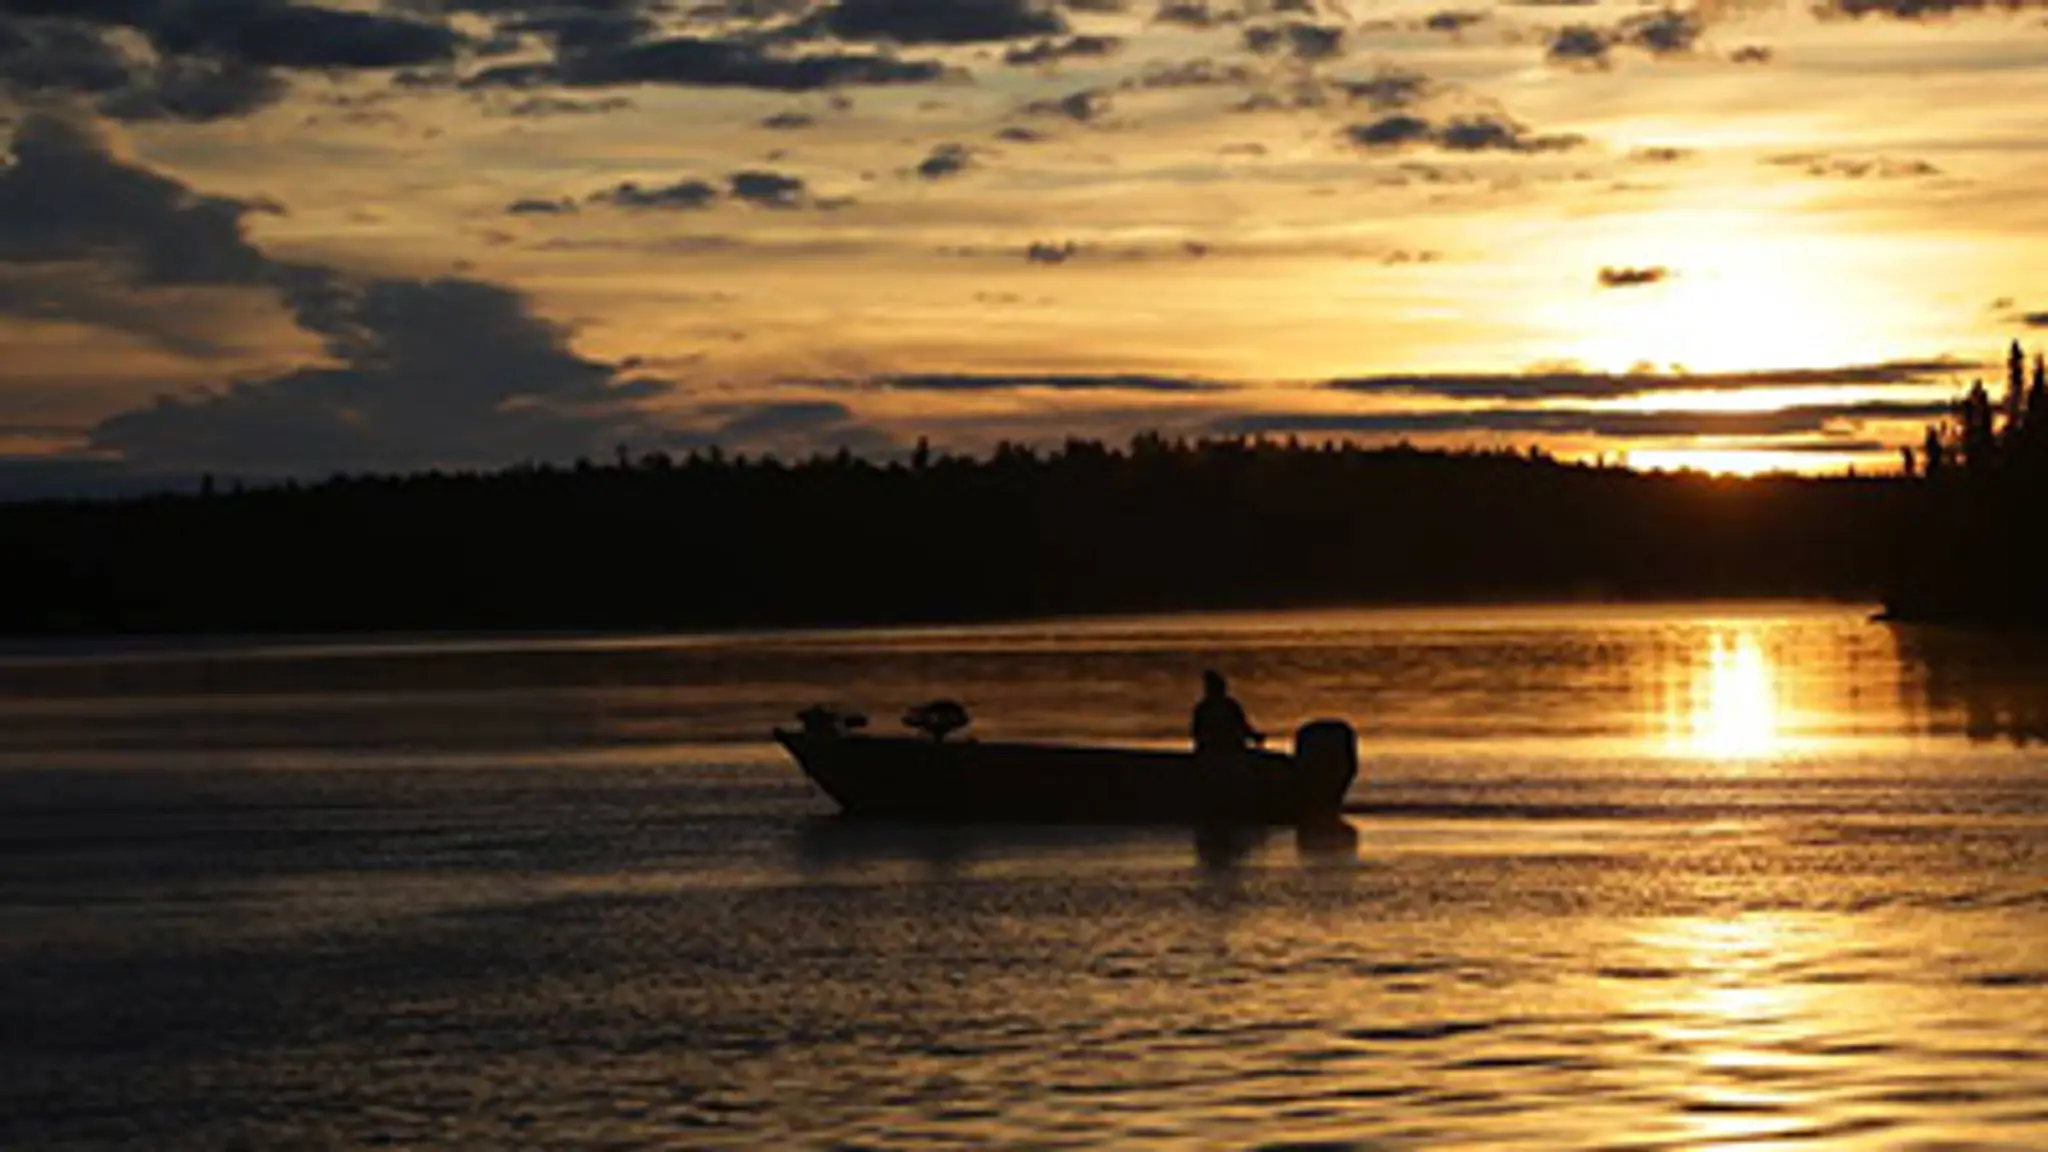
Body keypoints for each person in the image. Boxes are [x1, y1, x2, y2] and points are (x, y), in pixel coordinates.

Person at [1191, 670, 1262, 755]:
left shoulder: (1203, 708)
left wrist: (1254, 737)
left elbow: (1243, 728)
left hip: (1216, 750)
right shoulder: (1228, 706)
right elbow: (1243, 728)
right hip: (1226, 751)